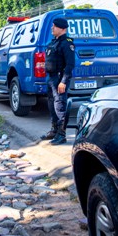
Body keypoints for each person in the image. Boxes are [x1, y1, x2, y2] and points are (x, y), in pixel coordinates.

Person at [40, 17, 75, 145]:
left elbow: (70, 65)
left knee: (60, 105)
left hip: (60, 78)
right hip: (51, 78)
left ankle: (62, 134)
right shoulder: (54, 42)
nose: (52, 28)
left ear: (62, 28)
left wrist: (63, 81)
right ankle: (54, 130)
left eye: (54, 26)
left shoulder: (67, 43)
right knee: (51, 104)